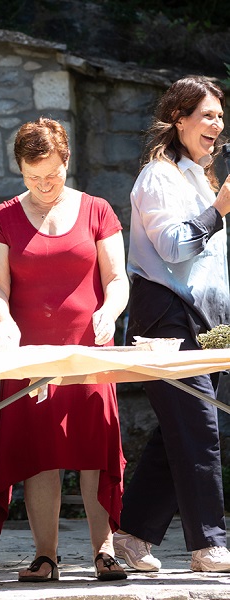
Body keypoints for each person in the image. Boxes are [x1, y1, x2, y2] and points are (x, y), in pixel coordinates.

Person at [0, 117, 129, 582]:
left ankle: (104, 551)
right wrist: (4, 322)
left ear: (67, 161)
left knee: (94, 449)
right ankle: (45, 555)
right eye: (33, 177)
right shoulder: (3, 217)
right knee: (38, 453)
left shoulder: (98, 210)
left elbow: (117, 278)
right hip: (29, 355)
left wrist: (110, 311)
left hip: (88, 349)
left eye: (53, 174)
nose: (44, 185)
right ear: (20, 170)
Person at [115, 76, 230, 573]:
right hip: (164, 318)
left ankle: (132, 535)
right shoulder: (158, 177)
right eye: (207, 115)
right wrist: (219, 210)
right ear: (179, 119)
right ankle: (209, 545)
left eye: (220, 116)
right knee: (198, 428)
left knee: (181, 431)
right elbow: (174, 248)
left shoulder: (201, 179)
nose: (217, 124)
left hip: (209, 323)